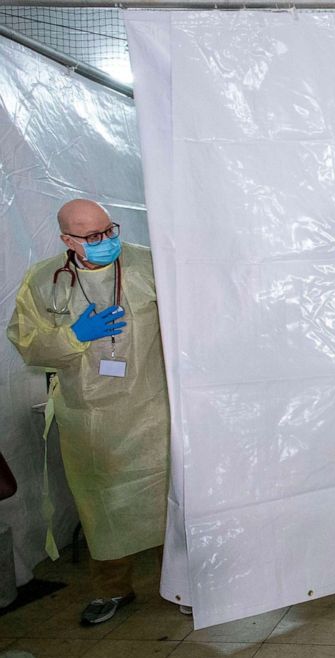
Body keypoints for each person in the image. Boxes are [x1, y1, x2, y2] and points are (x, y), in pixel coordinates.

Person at [6, 199, 173, 625]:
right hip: (90, 416)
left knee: (168, 501)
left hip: (153, 407)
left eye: (110, 230)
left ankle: (182, 584)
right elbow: (27, 341)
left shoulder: (150, 265)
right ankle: (112, 591)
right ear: (67, 240)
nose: (107, 241)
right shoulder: (45, 281)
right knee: (103, 510)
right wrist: (72, 335)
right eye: (93, 237)